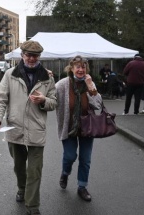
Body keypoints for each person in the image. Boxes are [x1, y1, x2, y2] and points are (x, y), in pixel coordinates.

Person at [0, 40, 57, 215]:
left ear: (39, 57)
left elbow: (54, 102)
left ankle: (32, 206)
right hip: (15, 128)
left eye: (35, 55)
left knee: (34, 170)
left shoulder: (47, 77)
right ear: (22, 55)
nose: (32, 58)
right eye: (28, 55)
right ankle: (22, 188)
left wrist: (44, 100)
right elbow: (0, 99)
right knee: (19, 166)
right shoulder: (10, 74)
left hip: (37, 129)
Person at [55, 55, 102, 202]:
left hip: (87, 127)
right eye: (78, 67)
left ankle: (82, 187)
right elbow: (51, 99)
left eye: (83, 67)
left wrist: (91, 88)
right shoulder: (62, 84)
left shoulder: (89, 83)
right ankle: (65, 172)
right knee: (70, 156)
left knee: (85, 159)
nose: (81, 69)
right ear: (72, 68)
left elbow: (98, 105)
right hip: (68, 127)